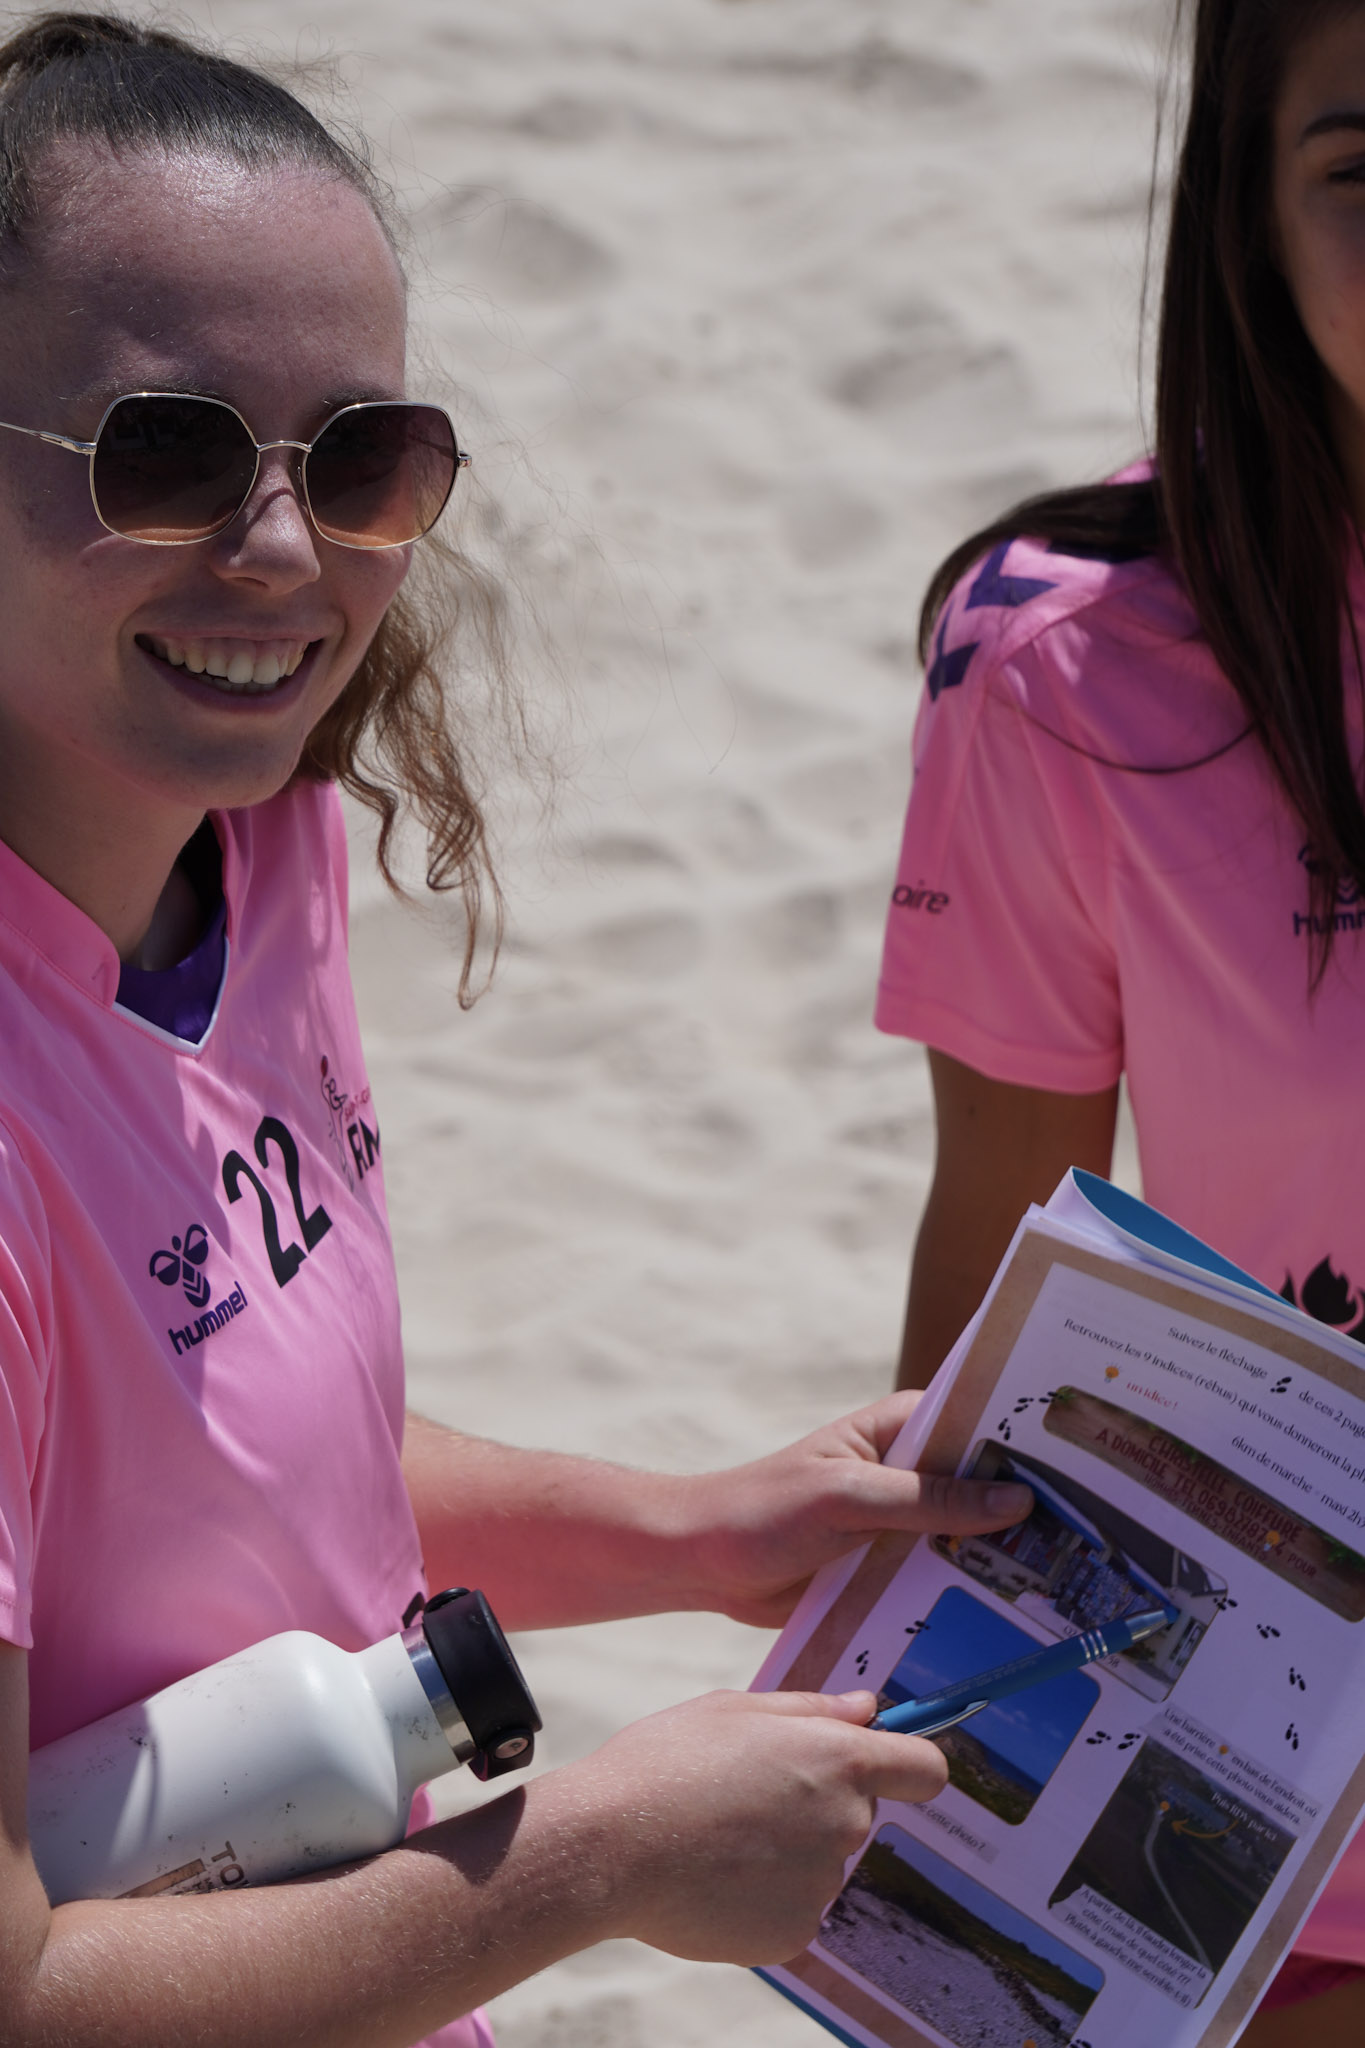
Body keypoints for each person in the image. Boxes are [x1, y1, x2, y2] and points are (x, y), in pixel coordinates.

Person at [0, 13, 1038, 2047]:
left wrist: (699, 1531)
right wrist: (594, 1858)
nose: (282, 552)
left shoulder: (260, 845)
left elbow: (230, 1472)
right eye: (166, 455)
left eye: (362, 461)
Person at [875, 2, 1365, 2040]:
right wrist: (937, 1839)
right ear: (1248, 210)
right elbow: (1004, 1281)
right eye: (1362, 172)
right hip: (1286, 1823)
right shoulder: (1062, 664)